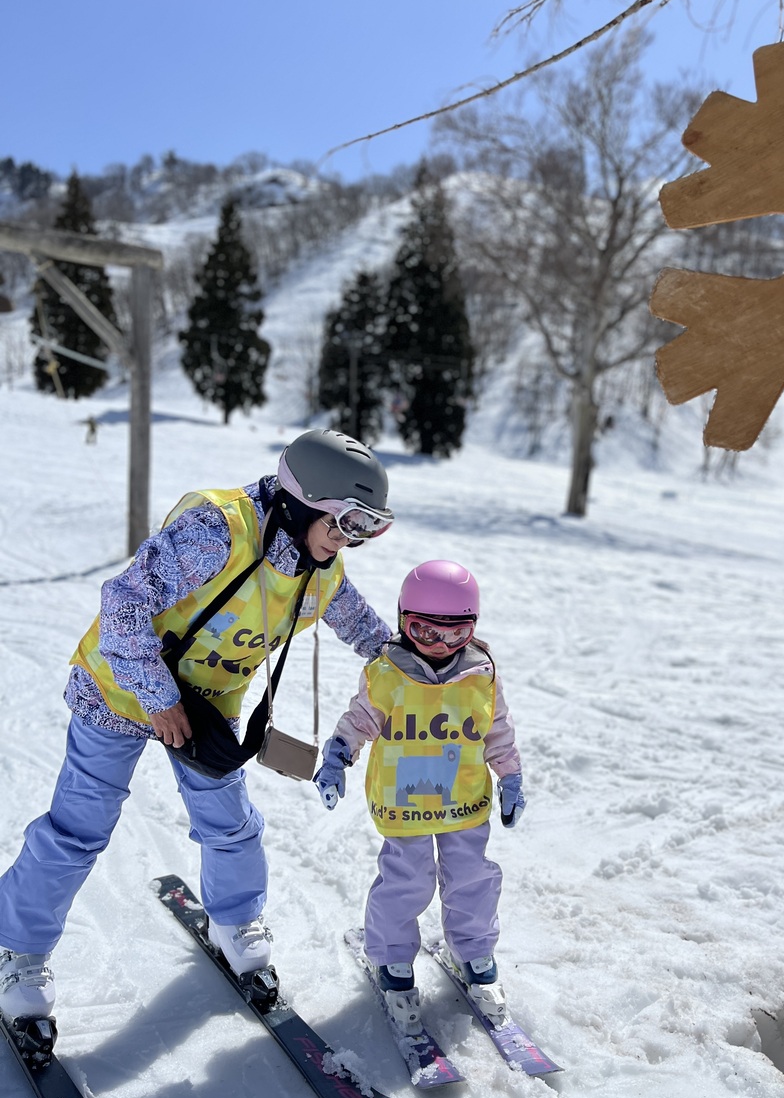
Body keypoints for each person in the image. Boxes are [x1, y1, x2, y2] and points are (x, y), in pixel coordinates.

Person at [0, 428, 394, 1024]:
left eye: (361, 530)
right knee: (79, 826)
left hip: (205, 711)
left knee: (231, 823)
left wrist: (421, 665)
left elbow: (363, 628)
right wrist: (158, 697)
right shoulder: (217, 532)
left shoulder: (319, 567)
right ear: (299, 503)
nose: (346, 543)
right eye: (341, 524)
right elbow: (122, 604)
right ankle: (19, 948)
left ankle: (235, 923)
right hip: (121, 690)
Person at [315, 560, 525, 1030]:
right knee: (406, 881)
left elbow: (498, 730)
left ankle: (474, 951)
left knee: (472, 878)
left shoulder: (481, 674)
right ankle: (391, 956)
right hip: (402, 804)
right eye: (424, 632)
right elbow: (359, 720)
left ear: (472, 628)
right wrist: (337, 756)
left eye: (455, 635)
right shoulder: (386, 673)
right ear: (403, 620)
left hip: (465, 802)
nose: (440, 647)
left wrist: (510, 777)